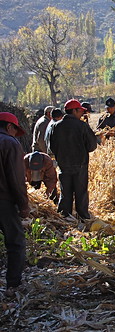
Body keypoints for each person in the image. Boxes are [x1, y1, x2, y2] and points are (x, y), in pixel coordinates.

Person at [46, 99, 97, 220]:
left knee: (65, 193)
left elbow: (51, 147)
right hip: (80, 165)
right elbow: (92, 146)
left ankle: (65, 217)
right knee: (81, 194)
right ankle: (83, 217)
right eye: (80, 110)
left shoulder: (56, 126)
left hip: (63, 165)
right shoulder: (82, 126)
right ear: (74, 111)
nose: (82, 113)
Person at [0, 112, 29, 296]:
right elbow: (16, 178)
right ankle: (13, 285)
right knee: (16, 242)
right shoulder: (10, 143)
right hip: (3, 201)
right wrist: (23, 204)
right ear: (9, 127)